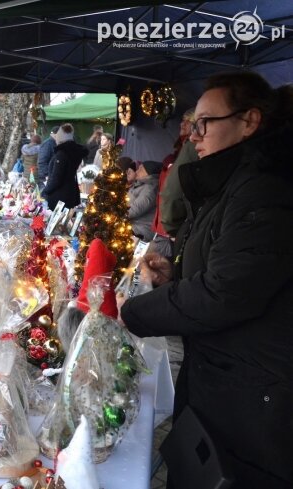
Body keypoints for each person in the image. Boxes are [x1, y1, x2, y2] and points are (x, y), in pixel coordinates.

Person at [121, 71, 293, 486]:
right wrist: (174, 277)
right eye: (190, 125)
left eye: (203, 123)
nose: (193, 135)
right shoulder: (230, 183)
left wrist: (132, 312)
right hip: (222, 379)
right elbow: (226, 266)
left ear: (249, 121)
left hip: (254, 397)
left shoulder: (265, 190)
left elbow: (226, 293)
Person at [159, 110, 201, 238]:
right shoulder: (179, 149)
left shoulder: (191, 147)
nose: (182, 124)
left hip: (181, 225)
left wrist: (174, 228)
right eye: (183, 120)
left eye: (188, 121)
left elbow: (173, 191)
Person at [42, 123, 87, 209]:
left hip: (58, 196)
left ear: (60, 138)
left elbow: (57, 177)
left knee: (57, 221)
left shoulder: (62, 154)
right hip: (70, 192)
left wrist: (45, 191)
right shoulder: (73, 153)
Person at [127, 160, 161, 241]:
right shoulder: (140, 184)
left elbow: (135, 210)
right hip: (131, 225)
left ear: (149, 173)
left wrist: (116, 214)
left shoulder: (150, 188)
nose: (137, 171)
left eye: (141, 169)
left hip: (140, 230)